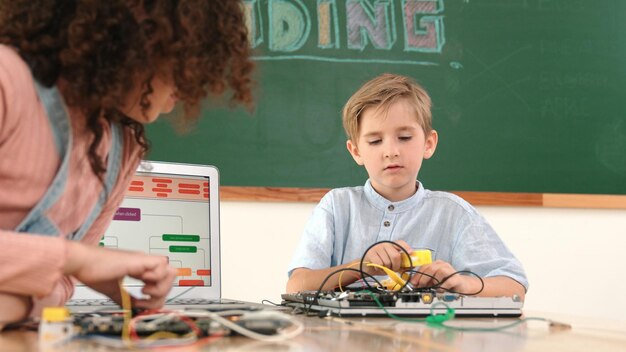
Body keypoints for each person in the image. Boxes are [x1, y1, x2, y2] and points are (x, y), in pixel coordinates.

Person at [0, 0, 254, 328]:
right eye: (180, 54)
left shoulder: (122, 150)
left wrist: (21, 301)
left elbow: (61, 285)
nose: (190, 80)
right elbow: (67, 271)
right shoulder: (8, 80)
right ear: (134, 37)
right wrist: (79, 259)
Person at [286, 73, 527, 299]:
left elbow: (514, 286)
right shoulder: (337, 206)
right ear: (356, 151)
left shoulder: (453, 213)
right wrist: (359, 267)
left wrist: (463, 283)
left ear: (428, 143)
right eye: (375, 141)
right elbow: (296, 286)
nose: (391, 151)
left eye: (404, 138)